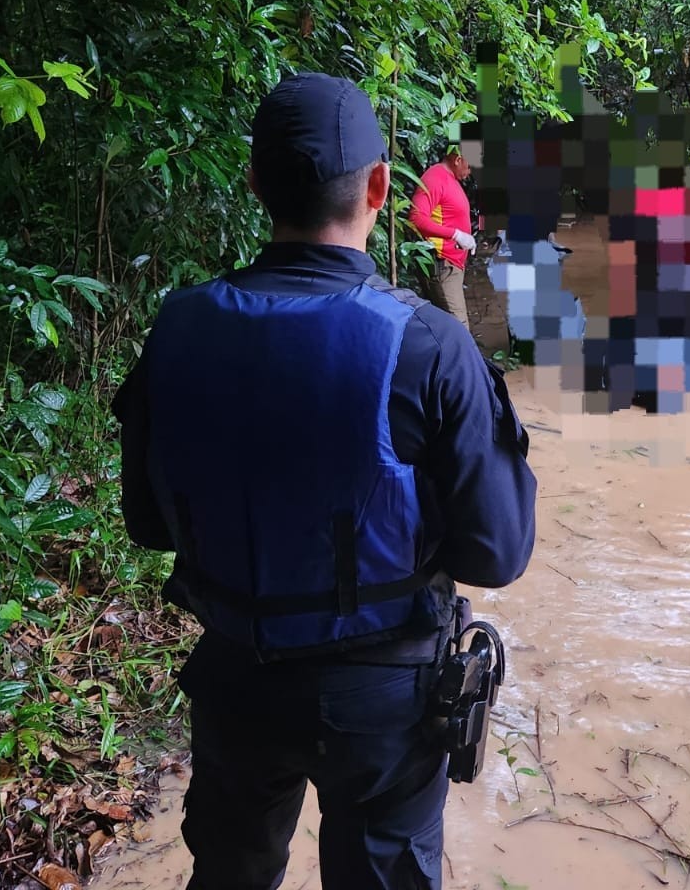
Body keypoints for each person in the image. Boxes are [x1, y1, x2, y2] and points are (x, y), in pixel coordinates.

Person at [111, 71, 538, 890]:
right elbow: (497, 552)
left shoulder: (180, 326)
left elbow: (148, 522)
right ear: (380, 186)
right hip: (384, 701)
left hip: (237, 677)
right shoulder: (430, 345)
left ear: (253, 182)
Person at [408, 144, 476, 327]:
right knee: (459, 329)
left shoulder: (450, 178)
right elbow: (416, 218)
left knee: (444, 327)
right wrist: (455, 235)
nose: (470, 172)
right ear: (458, 160)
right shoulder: (435, 178)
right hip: (442, 264)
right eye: (470, 166)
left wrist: (466, 239)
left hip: (451, 265)